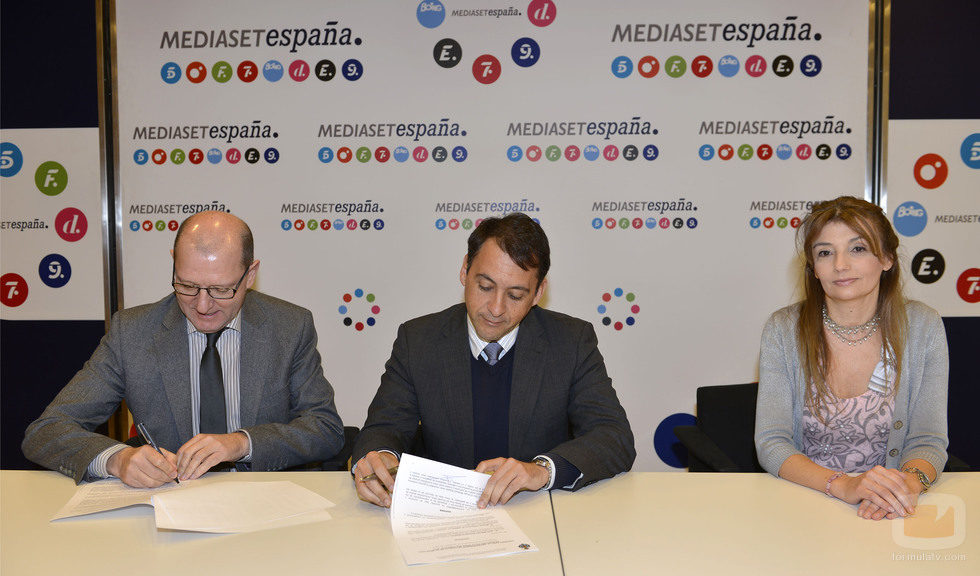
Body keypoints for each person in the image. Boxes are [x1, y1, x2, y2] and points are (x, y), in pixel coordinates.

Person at [23, 211, 344, 487]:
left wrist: (241, 443)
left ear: (250, 275)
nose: (202, 306)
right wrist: (116, 460)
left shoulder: (289, 327)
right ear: (174, 264)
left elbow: (325, 429)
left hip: (263, 500)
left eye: (221, 289)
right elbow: (47, 431)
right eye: (187, 285)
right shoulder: (133, 333)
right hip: (169, 502)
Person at [352, 213, 635, 508]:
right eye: (485, 287)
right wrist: (380, 457)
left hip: (539, 512)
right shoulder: (419, 340)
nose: (496, 309)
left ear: (538, 293)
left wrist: (541, 471)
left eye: (515, 295)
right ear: (465, 271)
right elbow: (383, 428)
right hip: (441, 513)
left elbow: (614, 436)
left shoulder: (571, 342)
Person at [755, 196, 948, 521]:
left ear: (887, 258)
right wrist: (844, 486)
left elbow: (927, 440)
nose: (840, 265)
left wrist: (903, 487)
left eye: (857, 249)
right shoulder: (783, 329)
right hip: (803, 504)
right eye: (825, 252)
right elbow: (772, 443)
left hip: (887, 509)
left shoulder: (923, 326)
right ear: (814, 268)